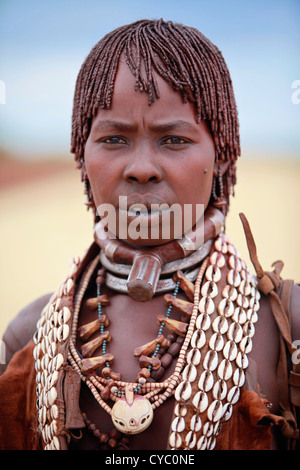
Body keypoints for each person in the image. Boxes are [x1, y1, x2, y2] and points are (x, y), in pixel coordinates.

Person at [0, 18, 299, 451]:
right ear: (82, 157)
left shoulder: (284, 330)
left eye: (174, 140)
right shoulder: (30, 335)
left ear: (221, 154)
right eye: (114, 138)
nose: (141, 167)